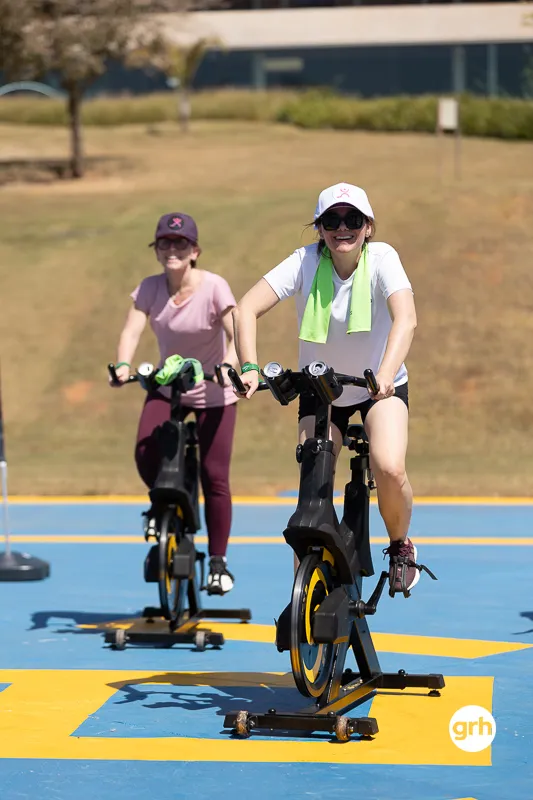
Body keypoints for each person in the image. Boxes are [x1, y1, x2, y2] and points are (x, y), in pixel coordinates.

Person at [232, 182, 433, 609]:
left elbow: (406, 319)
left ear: (368, 226)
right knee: (312, 486)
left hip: (377, 387)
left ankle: (400, 545)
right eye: (331, 220)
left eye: (352, 219)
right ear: (319, 228)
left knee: (389, 466)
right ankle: (302, 601)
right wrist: (249, 367)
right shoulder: (304, 261)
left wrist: (384, 374)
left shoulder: (383, 258)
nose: (343, 228)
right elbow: (245, 308)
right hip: (321, 389)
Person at [111, 212, 239, 595]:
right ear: (156, 250)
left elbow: (237, 334)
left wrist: (229, 367)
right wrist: (122, 365)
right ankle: (162, 505)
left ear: (194, 251)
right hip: (169, 387)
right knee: (145, 451)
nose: (172, 249)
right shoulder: (150, 288)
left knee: (214, 477)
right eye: (164, 242)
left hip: (213, 392)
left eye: (180, 243)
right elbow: (131, 330)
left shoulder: (214, 287)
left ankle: (218, 563)